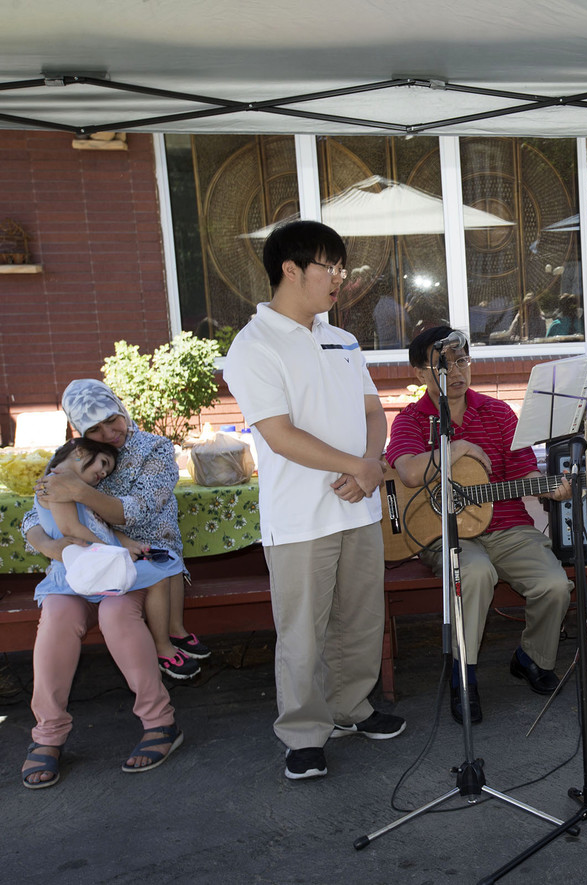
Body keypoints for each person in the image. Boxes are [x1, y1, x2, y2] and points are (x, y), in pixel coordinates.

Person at [224, 220, 405, 781]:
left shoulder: (341, 337)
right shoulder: (253, 346)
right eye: (330, 268)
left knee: (359, 619)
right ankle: (303, 733)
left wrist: (371, 466)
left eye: (341, 268)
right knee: (303, 632)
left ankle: (352, 708)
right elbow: (278, 434)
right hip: (301, 517)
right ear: (291, 269)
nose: (339, 280)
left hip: (358, 504)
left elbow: (374, 410)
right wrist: (359, 467)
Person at [385, 323, 573, 724]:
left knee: (555, 585)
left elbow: (522, 475)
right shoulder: (410, 422)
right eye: (444, 364)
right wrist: (456, 448)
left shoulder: (499, 413)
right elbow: (406, 472)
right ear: (420, 374)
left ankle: (531, 658)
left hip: (507, 527)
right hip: (443, 534)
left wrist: (550, 487)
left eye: (462, 360)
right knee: (474, 572)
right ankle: (463, 675)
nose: (457, 371)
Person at [21, 439, 185, 788]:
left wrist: (123, 546)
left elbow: (116, 520)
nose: (103, 474)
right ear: (81, 447)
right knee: (57, 618)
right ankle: (48, 731)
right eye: (101, 465)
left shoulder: (150, 451)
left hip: (116, 574)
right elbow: (53, 524)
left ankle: (160, 720)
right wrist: (50, 545)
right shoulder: (59, 477)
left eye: (107, 469)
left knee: (116, 615)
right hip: (77, 573)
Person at [24, 379, 206, 680]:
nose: (108, 434)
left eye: (112, 420)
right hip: (92, 556)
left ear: (121, 408)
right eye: (94, 429)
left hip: (148, 548)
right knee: (82, 612)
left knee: (163, 567)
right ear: (80, 432)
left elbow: (137, 510)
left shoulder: (155, 449)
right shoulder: (73, 456)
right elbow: (35, 514)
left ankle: (171, 635)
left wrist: (80, 492)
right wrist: (47, 545)